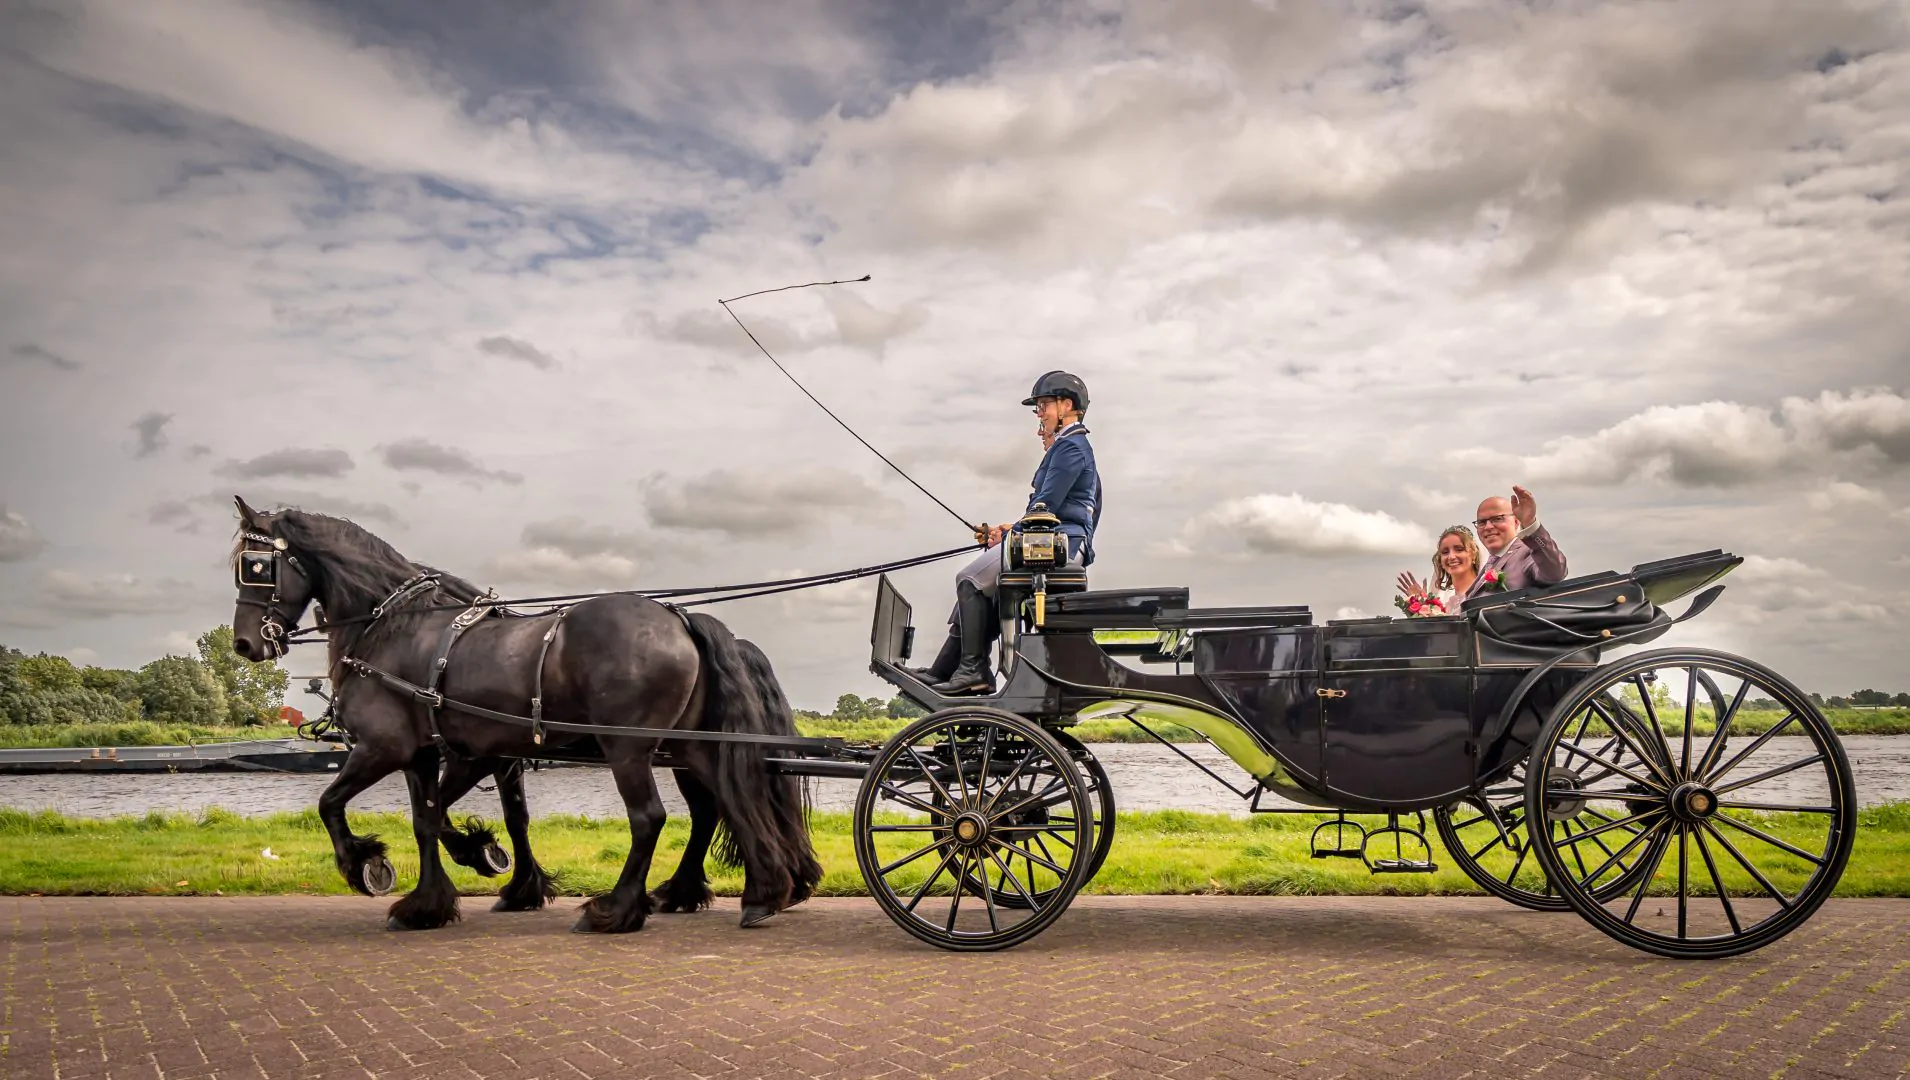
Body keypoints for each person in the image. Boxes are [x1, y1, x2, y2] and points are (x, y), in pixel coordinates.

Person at [911, 371, 1102, 694]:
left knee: (969, 579)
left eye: (1043, 405)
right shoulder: (1074, 447)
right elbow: (1049, 509)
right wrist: (1009, 530)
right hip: (1054, 542)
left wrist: (1011, 532)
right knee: (986, 585)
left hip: (1058, 547)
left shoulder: (1070, 448)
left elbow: (1046, 506)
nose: (1039, 414)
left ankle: (973, 671)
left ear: (1066, 404)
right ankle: (948, 667)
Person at [1464, 485, 1567, 599]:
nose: (1488, 527)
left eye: (1497, 519)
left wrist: (1530, 524)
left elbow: (1554, 573)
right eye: (1482, 522)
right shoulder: (1489, 564)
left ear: (1516, 522)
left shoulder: (1528, 552)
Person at [1395, 525, 1482, 615]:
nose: (1451, 557)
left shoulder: (1484, 593)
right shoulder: (1445, 601)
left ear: (1474, 555)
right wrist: (1422, 606)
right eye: (1445, 552)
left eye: (1459, 549)